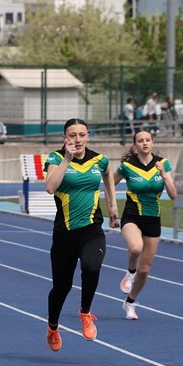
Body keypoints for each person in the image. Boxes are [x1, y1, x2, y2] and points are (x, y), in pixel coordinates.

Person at [43, 118, 119, 351]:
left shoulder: (99, 160)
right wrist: (67, 158)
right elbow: (50, 187)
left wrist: (113, 205)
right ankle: (53, 327)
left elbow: (108, 174)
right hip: (64, 234)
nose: (77, 139)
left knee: (91, 267)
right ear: (65, 138)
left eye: (82, 135)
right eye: (72, 135)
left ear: (88, 136)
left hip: (92, 229)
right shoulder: (56, 158)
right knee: (61, 288)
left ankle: (85, 312)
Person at [113, 128, 177, 320]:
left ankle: (130, 303)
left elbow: (173, 194)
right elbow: (109, 183)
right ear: (135, 145)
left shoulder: (163, 164)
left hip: (153, 219)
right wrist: (111, 206)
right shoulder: (127, 166)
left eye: (148, 140)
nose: (145, 143)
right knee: (135, 247)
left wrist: (164, 175)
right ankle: (129, 272)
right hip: (131, 216)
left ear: (152, 142)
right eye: (140, 140)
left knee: (146, 269)